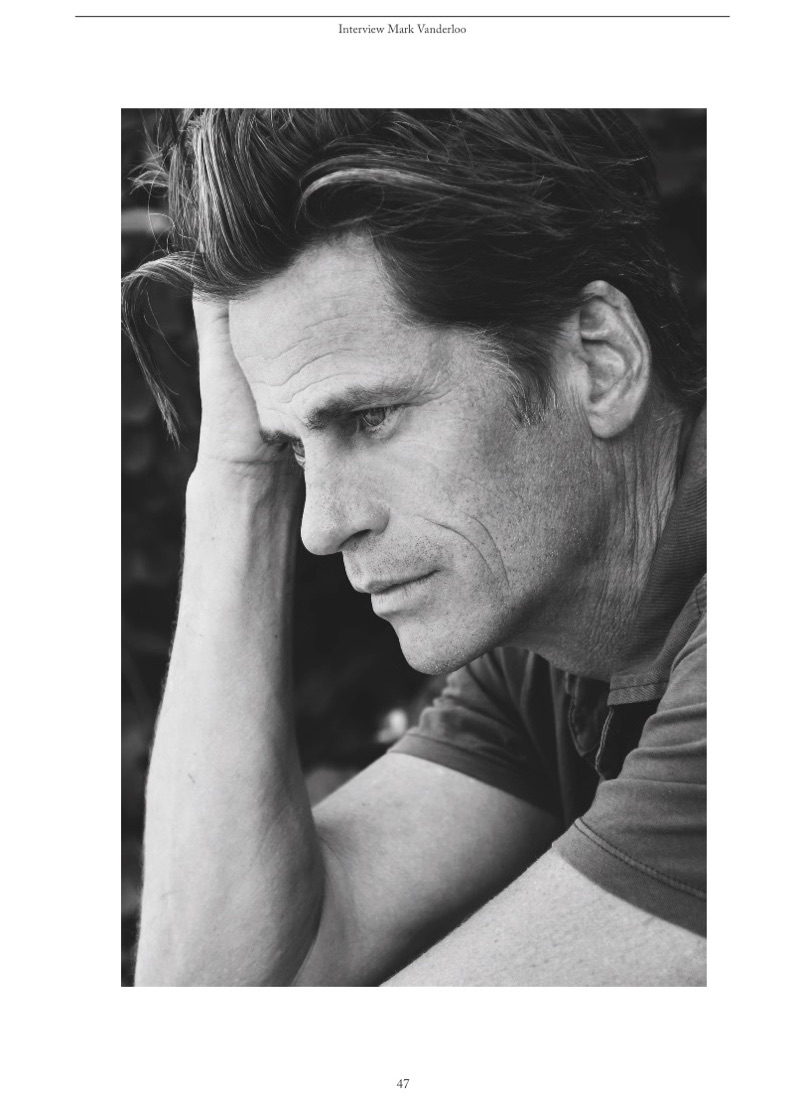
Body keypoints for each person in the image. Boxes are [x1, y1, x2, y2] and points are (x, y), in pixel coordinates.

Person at [123, 109, 706, 986]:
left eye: (369, 417)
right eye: (293, 449)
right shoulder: (549, 657)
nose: (321, 526)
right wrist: (239, 483)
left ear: (600, 360)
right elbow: (219, 984)